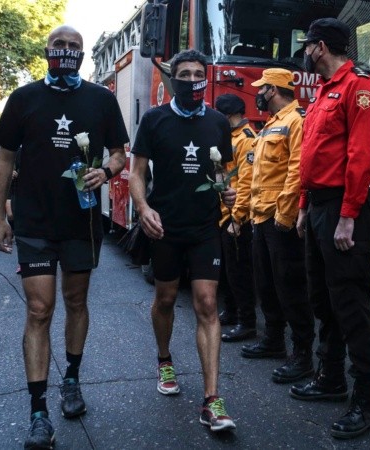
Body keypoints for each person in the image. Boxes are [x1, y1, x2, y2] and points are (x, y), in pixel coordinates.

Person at [0, 25, 129, 449]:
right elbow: (4, 158)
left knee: (75, 302)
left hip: (81, 223)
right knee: (38, 308)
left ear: (83, 54)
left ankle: (71, 379)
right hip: (33, 221)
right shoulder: (24, 98)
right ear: (47, 51)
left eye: (74, 47)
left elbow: (121, 153)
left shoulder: (101, 99)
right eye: (59, 46)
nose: (66, 51)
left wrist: (105, 171)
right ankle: (38, 411)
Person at [128, 49, 238, 433]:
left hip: (205, 227)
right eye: (185, 73)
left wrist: (227, 192)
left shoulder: (218, 123)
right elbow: (136, 172)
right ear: (174, 78)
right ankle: (164, 359)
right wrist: (143, 209)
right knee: (166, 299)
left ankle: (212, 400)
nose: (192, 79)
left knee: (207, 303)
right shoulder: (154, 120)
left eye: (198, 74)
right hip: (165, 228)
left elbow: (223, 172)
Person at [290, 18, 370, 439]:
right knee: (321, 297)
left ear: (320, 47)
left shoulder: (360, 88)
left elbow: (361, 157)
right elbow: (315, 157)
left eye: (307, 45)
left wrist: (347, 216)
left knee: (351, 305)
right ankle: (331, 378)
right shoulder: (325, 91)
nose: (304, 52)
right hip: (321, 206)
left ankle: (366, 399)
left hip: (346, 210)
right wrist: (307, 206)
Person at [239, 69, 316, 385]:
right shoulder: (270, 124)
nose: (257, 93)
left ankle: (302, 356)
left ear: (273, 90)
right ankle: (273, 340)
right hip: (261, 217)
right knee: (266, 284)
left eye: (261, 88)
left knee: (291, 288)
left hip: (278, 220)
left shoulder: (297, 120)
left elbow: (297, 171)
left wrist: (285, 217)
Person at [213, 93, 257, 343]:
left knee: (240, 272)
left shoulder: (246, 141)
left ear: (229, 116)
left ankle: (247, 322)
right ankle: (230, 311)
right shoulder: (227, 138)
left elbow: (247, 183)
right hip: (223, 215)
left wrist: (237, 219)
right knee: (228, 270)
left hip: (237, 218)